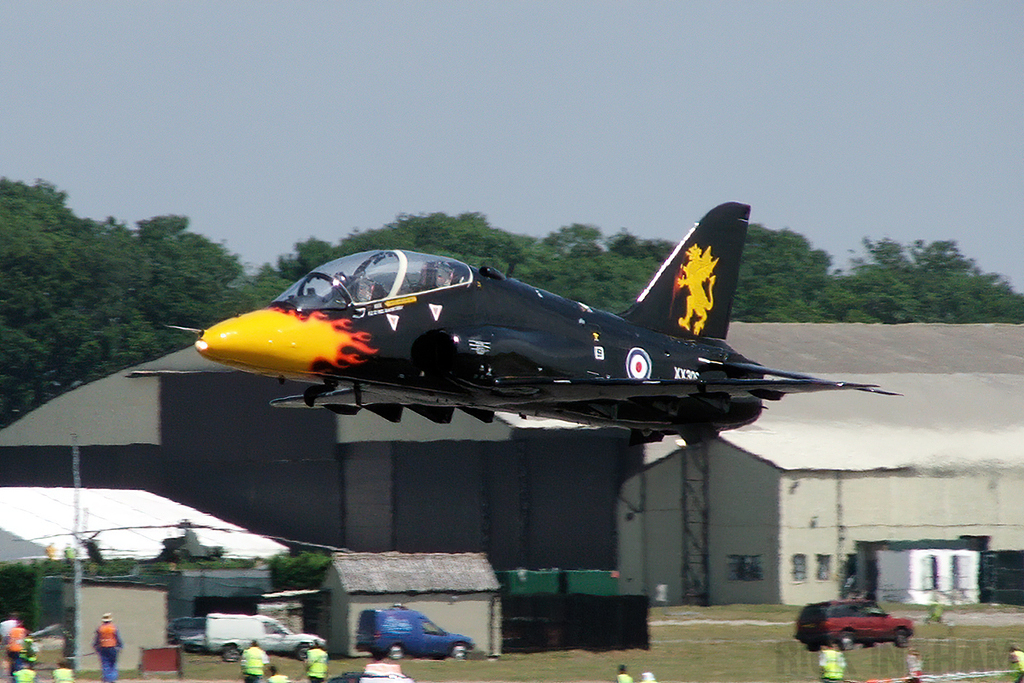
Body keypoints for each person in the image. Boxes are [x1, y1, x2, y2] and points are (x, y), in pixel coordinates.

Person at [93, 613, 123, 683]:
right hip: (113, 647)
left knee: (105, 663)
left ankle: (107, 678)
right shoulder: (113, 628)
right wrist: (120, 646)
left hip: (103, 647)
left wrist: (95, 646)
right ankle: (113, 679)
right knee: (113, 663)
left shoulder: (100, 628)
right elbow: (117, 637)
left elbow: (97, 639)